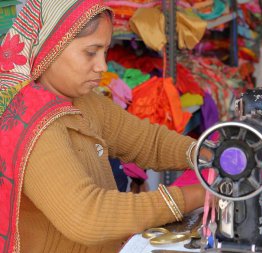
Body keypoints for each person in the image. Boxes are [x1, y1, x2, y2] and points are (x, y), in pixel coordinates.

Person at [0, 0, 205, 252]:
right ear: (50, 48)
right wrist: (196, 197)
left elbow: (147, 142)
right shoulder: (32, 125)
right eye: (90, 52)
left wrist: (206, 153)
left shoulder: (85, 103)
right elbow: (86, 216)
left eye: (105, 52)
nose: (102, 66)